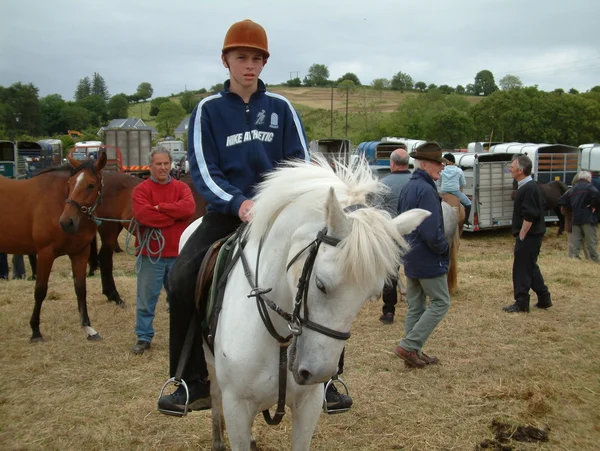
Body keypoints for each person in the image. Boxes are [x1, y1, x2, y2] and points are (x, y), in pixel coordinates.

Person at [157, 19, 352, 415]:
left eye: (257, 58)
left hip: (280, 218)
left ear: (264, 63)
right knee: (179, 280)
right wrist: (238, 203)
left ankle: (330, 378)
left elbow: (300, 164)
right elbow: (203, 169)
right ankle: (189, 380)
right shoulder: (207, 111)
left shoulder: (280, 108)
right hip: (228, 215)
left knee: (326, 275)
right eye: (241, 57)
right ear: (226, 61)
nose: (249, 65)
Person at [130, 147, 195, 355]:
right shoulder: (140, 190)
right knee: (146, 299)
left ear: (171, 164)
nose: (163, 167)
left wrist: (160, 208)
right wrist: (173, 215)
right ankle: (143, 337)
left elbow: (189, 209)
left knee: (180, 298)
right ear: (150, 166)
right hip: (151, 255)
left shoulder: (182, 188)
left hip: (178, 255)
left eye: (166, 163)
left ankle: (183, 335)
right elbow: (143, 216)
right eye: (158, 164)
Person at [393, 142, 450, 368]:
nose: (442, 168)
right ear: (425, 164)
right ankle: (409, 345)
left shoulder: (409, 187)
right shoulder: (426, 190)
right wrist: (443, 248)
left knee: (416, 306)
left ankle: (412, 353)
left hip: (411, 256)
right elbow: (430, 229)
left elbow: (401, 220)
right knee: (441, 302)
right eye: (438, 163)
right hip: (427, 257)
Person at [503, 155, 552, 313]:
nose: (510, 169)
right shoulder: (529, 186)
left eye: (512, 167)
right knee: (530, 267)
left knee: (521, 269)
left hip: (529, 236)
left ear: (521, 170)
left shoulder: (528, 188)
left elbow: (529, 215)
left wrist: (522, 236)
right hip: (533, 236)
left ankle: (521, 302)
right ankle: (544, 299)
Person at [378, 146, 412, 324]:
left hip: (391, 235)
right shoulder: (417, 181)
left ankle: (389, 311)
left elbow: (376, 212)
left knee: (390, 274)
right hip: (415, 234)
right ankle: (416, 308)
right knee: (414, 271)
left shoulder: (384, 183)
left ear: (392, 163)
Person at [558, 171, 600, 262]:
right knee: (591, 240)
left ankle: (574, 259)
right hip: (588, 217)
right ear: (588, 178)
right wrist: (593, 205)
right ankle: (594, 259)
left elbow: (562, 200)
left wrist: (572, 208)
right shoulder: (589, 187)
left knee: (575, 241)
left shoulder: (572, 189)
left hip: (575, 218)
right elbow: (597, 194)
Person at [439, 153, 472, 226]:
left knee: (436, 203)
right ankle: (465, 222)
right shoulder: (459, 170)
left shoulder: (442, 170)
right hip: (455, 191)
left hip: (444, 191)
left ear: (447, 162)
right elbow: (463, 183)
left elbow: (439, 182)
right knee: (468, 204)